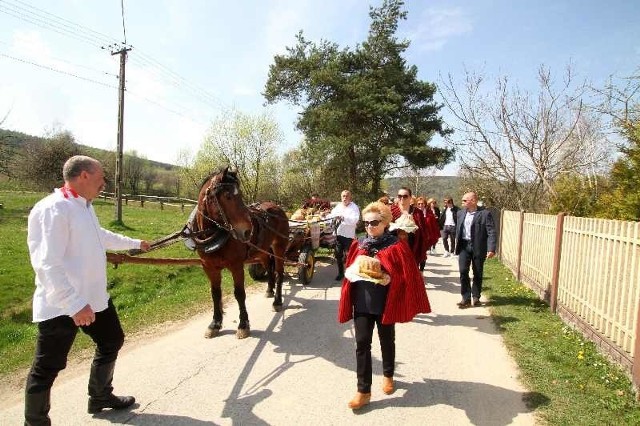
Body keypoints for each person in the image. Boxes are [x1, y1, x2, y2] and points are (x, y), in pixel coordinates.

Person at [25, 155, 151, 425]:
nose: (104, 182)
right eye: (100, 177)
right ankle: (35, 422)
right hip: (61, 305)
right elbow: (47, 264)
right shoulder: (54, 209)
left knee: (111, 340)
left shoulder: (84, 206)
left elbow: (100, 236)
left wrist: (134, 243)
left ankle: (101, 396)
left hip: (93, 298)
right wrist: (74, 304)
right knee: (47, 367)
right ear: (83, 175)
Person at [338, 201, 431, 410]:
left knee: (387, 340)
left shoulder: (395, 245)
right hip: (362, 302)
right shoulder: (359, 244)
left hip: (385, 302)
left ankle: (388, 375)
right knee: (362, 344)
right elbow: (350, 268)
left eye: (375, 222)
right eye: (367, 222)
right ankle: (363, 391)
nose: (370, 226)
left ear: (385, 222)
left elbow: (407, 273)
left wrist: (391, 278)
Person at [454, 191, 496, 308]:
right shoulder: (460, 213)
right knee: (463, 271)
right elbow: (458, 229)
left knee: (477, 272)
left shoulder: (484, 214)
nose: (462, 203)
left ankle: (476, 297)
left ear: (473, 201)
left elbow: (491, 232)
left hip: (478, 247)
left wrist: (491, 248)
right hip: (464, 246)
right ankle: (465, 298)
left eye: (464, 200)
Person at [389, 187, 431, 267]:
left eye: (405, 196)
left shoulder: (417, 213)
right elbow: (384, 231)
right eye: (399, 196)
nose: (402, 198)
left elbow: (423, 233)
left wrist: (414, 223)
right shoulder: (391, 211)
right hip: (394, 249)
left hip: (412, 248)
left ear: (410, 197)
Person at [327, 190, 360, 281]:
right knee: (338, 254)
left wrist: (343, 218)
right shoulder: (338, 206)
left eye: (346, 196)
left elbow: (355, 220)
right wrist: (325, 216)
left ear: (350, 197)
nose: (344, 198)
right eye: (343, 196)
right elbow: (331, 216)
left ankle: (351, 273)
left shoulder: (354, 207)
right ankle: (341, 273)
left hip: (348, 235)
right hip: (338, 234)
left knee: (350, 255)